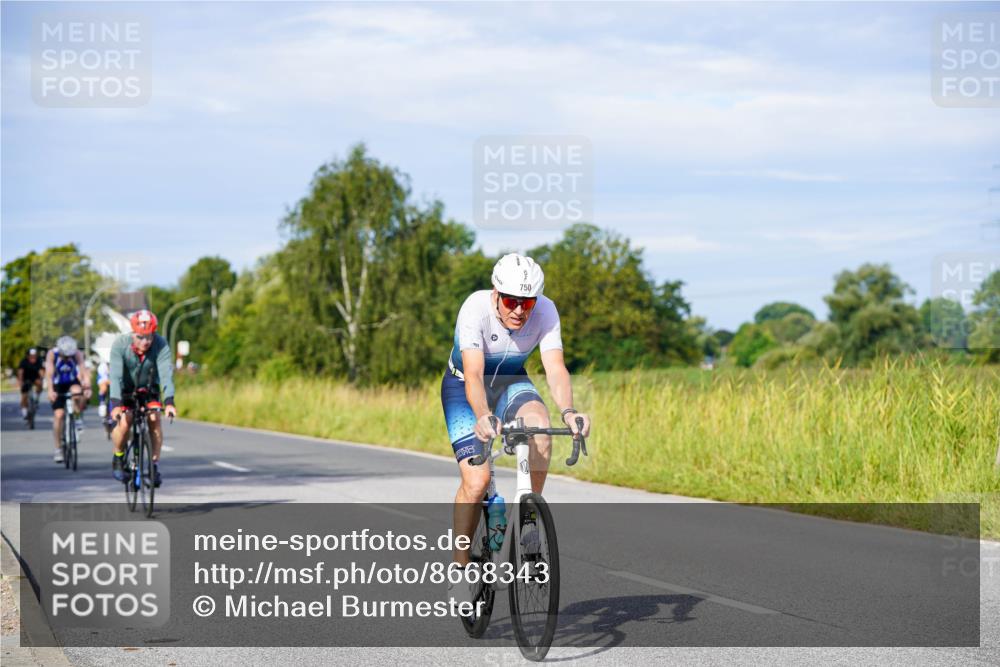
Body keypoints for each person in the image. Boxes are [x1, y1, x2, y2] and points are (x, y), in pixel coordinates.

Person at [441, 253, 591, 605]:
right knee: (476, 482)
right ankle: (461, 570)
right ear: (496, 293)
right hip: (465, 387)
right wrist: (482, 414)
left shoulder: (547, 311)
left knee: (540, 425)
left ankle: (528, 519)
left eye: (528, 303)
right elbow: (475, 374)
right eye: (511, 301)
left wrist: (569, 412)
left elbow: (554, 367)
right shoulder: (474, 308)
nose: (520, 311)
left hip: (511, 381)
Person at [109, 310, 177, 486]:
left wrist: (169, 402)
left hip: (149, 388)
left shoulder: (160, 344)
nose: (145, 342)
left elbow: (165, 375)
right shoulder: (120, 344)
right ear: (132, 333)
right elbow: (115, 376)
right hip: (125, 389)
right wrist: (116, 404)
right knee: (125, 421)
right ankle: (118, 456)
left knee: (154, 418)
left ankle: (154, 466)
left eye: (149, 337)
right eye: (140, 337)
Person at [45, 336, 91, 463]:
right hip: (57, 384)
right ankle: (58, 448)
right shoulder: (52, 354)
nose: (67, 358)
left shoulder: (77, 354)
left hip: (72, 382)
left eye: (69, 356)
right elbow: (49, 374)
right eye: (65, 356)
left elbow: (83, 371)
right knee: (59, 415)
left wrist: (87, 387)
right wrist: (50, 390)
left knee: (77, 392)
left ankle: (77, 417)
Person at [16, 348, 44, 420]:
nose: (33, 358)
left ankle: (37, 399)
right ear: (28, 356)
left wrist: (42, 377)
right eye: (31, 356)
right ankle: (24, 413)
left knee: (40, 383)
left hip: (35, 378)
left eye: (34, 356)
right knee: (24, 396)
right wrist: (20, 381)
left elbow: (41, 371)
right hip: (26, 379)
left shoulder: (38, 361)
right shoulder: (24, 362)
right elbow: (20, 372)